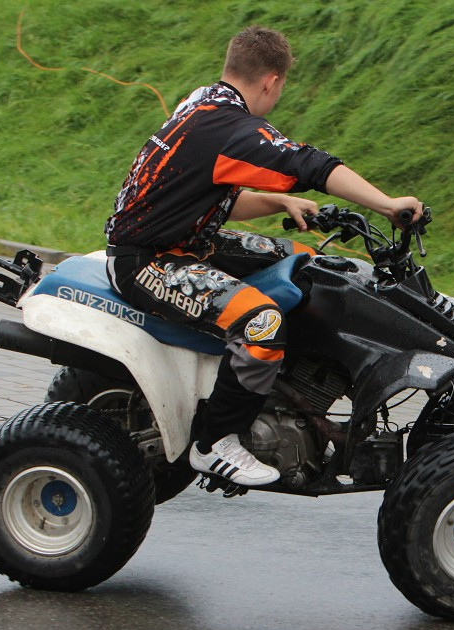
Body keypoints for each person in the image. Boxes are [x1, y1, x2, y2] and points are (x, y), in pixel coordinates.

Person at [104, 26, 422, 486]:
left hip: (187, 240)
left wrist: (279, 203)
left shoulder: (201, 102)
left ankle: (295, 384)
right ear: (272, 81)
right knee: (262, 322)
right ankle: (216, 443)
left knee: (305, 261)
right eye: (280, 88)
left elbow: (206, 196)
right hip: (146, 261)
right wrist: (388, 204)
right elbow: (311, 165)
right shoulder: (232, 129)